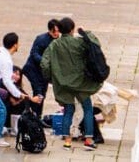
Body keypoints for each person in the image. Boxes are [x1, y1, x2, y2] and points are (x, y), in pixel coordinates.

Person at [41, 17, 102, 151]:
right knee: (87, 109)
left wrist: (52, 78)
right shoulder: (78, 42)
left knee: (68, 111)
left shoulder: (54, 45)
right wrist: (87, 32)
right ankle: (89, 140)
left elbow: (44, 64)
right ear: (72, 29)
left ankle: (67, 141)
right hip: (81, 84)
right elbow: (95, 44)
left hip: (64, 84)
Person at [21, 19, 61, 116]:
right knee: (38, 91)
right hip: (33, 70)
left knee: (42, 93)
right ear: (49, 30)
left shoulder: (58, 40)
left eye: (58, 31)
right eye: (54, 31)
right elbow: (34, 54)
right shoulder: (41, 39)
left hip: (43, 72)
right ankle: (35, 115)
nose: (56, 33)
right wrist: (45, 61)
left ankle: (37, 115)